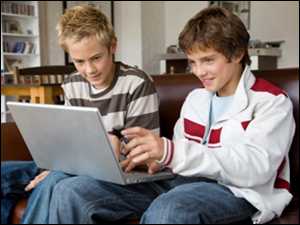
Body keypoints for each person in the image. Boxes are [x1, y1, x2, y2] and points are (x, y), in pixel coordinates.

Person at [49, 6, 296, 224]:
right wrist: (153, 159)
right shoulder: (196, 100)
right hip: (181, 183)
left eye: (208, 60)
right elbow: (180, 158)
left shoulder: (270, 102)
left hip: (239, 191)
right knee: (72, 191)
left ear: (238, 53)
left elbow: (255, 169)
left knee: (171, 209)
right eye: (193, 62)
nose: (199, 72)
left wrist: (171, 151)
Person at [1, 5, 160, 224]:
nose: (89, 70)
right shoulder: (72, 83)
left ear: (112, 46)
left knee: (56, 179)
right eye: (79, 61)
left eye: (96, 58)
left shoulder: (137, 83)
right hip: (73, 166)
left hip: (112, 174)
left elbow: (144, 157)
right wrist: (60, 164)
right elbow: (70, 141)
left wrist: (70, 168)